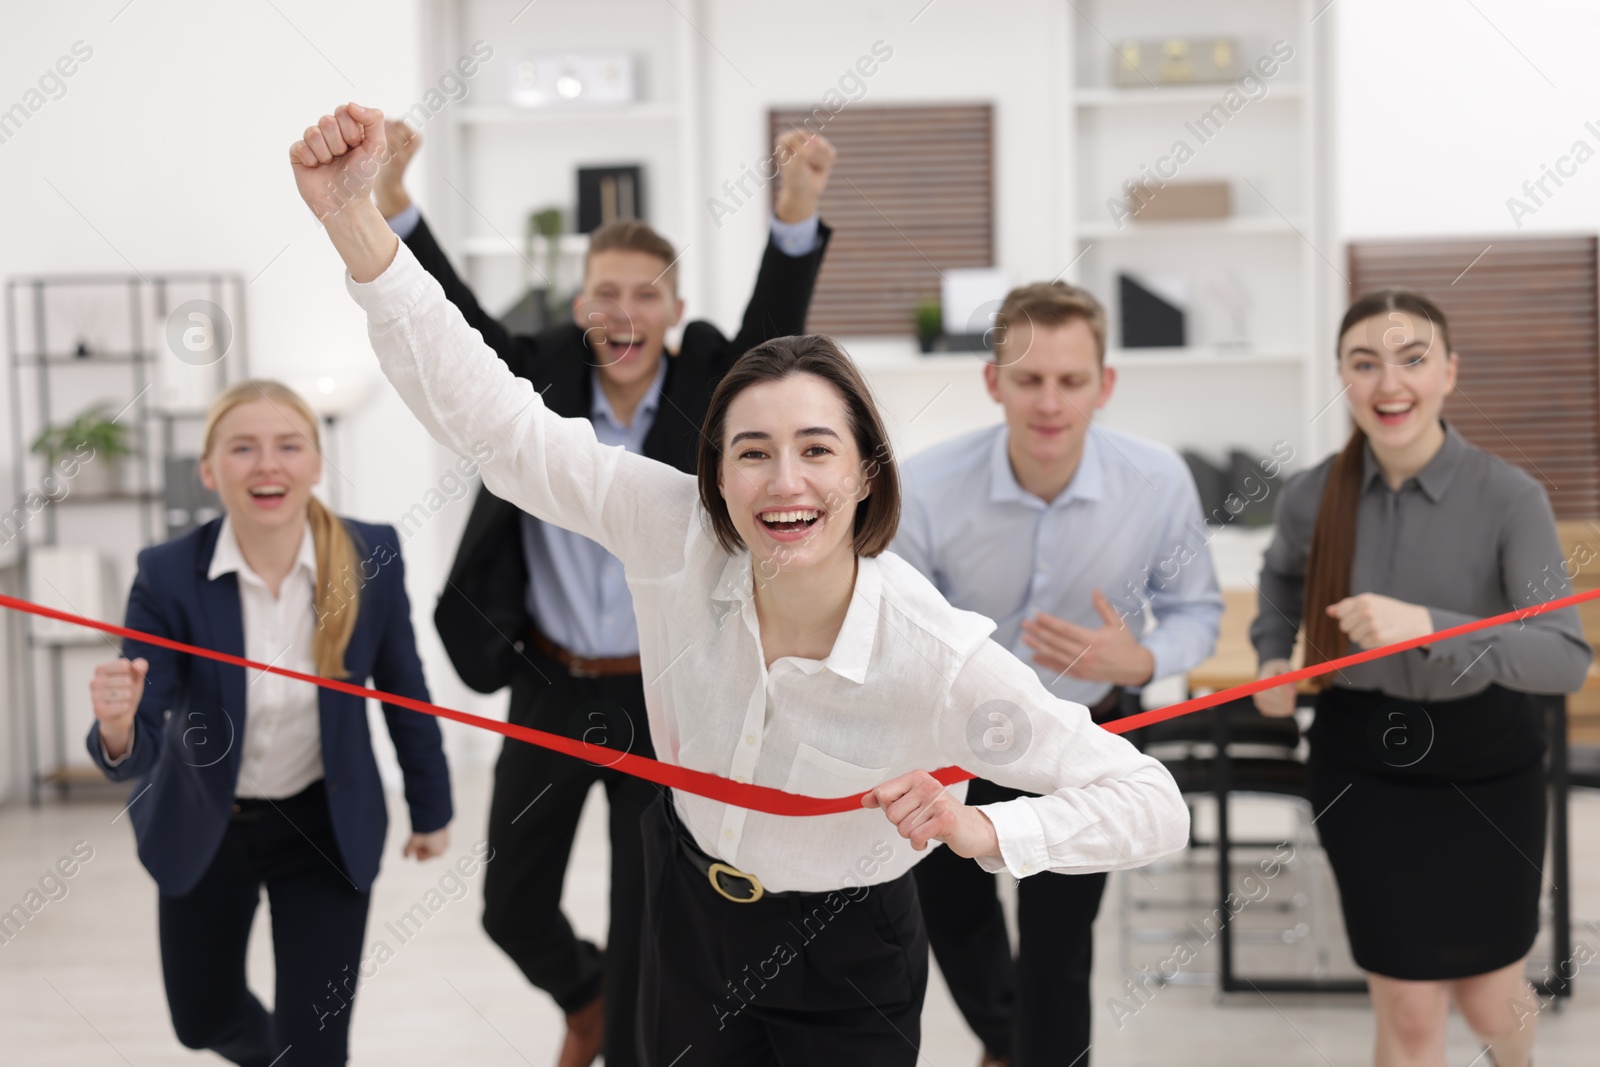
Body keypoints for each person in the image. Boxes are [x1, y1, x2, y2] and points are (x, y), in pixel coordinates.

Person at [289, 101, 1188, 1066]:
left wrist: (986, 829)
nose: (785, 481)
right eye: (752, 452)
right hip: (691, 919)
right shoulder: (670, 527)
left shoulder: (937, 652)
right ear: (715, 472)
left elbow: (1149, 801)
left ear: (867, 473)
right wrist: (355, 225)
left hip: (851, 956)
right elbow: (501, 429)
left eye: (816, 449)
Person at [370, 116, 835, 1067]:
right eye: (606, 293)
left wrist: (793, 215)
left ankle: (623, 1045)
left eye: (644, 296)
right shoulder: (538, 373)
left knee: (649, 913)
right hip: (552, 679)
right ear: (582, 303)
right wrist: (394, 202)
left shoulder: (713, 380)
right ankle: (586, 997)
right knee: (512, 906)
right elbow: (451, 320)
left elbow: (776, 333)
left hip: (664, 692)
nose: (624, 313)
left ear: (674, 309)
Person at [1250, 290, 1591, 1067]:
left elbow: (1564, 657)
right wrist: (1274, 657)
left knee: (1488, 992)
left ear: (1448, 373)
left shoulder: (1511, 498)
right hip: (1361, 763)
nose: (1387, 383)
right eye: (1363, 363)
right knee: (1406, 1006)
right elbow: (1278, 590)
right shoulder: (1311, 495)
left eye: (1412, 359)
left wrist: (1433, 627)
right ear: (1342, 376)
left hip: (1486, 763)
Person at [893, 281, 1223, 1067]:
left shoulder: (1157, 481)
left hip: (1084, 735)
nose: (1050, 403)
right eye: (1029, 379)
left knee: (1059, 939)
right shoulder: (926, 486)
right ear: (992, 382)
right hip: (954, 742)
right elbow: (895, 625)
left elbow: (1198, 612)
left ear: (1104, 385)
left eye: (1072, 381)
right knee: (953, 920)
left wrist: (1142, 659)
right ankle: (1009, 1044)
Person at [86, 379, 454, 1067]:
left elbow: (406, 689)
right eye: (242, 448)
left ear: (317, 462)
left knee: (315, 1045)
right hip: (207, 823)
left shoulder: (370, 553)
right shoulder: (167, 573)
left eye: (289, 445)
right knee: (202, 1019)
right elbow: (140, 720)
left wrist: (431, 807)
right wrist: (116, 724)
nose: (267, 465)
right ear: (208, 469)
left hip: (322, 826)